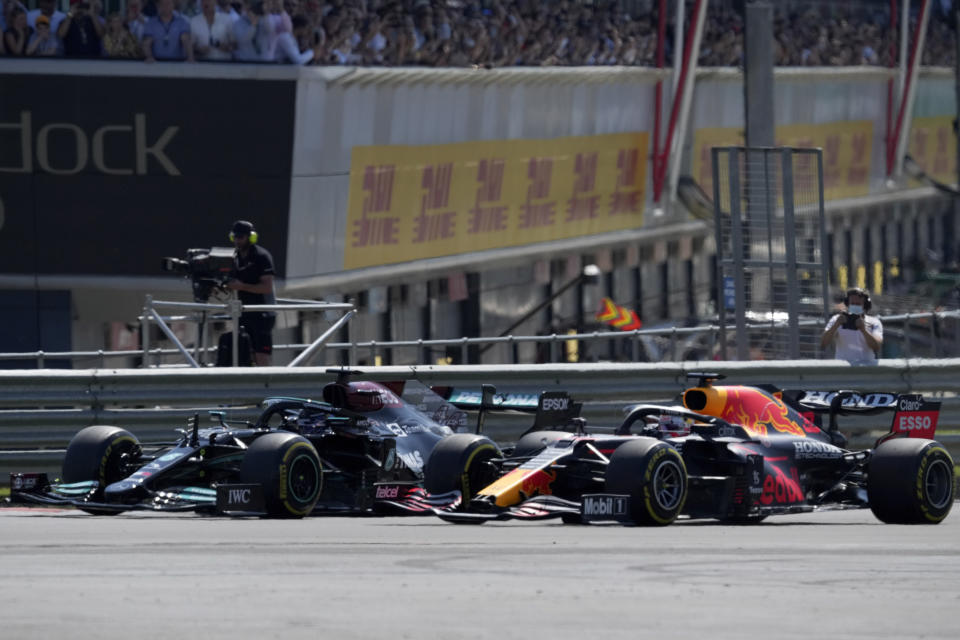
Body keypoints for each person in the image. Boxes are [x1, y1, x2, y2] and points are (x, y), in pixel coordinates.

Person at [225, 220, 277, 366]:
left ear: (251, 237)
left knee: (261, 355)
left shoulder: (262, 256)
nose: (237, 241)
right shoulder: (234, 257)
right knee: (244, 352)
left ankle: (267, 386)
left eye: (240, 237)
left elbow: (266, 287)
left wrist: (241, 286)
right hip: (243, 312)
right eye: (235, 237)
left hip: (262, 313)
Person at [820, 287, 883, 365]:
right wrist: (836, 325)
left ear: (865, 305)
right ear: (847, 304)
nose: (855, 306)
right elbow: (824, 343)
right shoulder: (836, 319)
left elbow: (876, 346)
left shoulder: (874, 322)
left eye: (858, 304)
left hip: (866, 368)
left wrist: (863, 330)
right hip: (842, 368)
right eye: (852, 303)